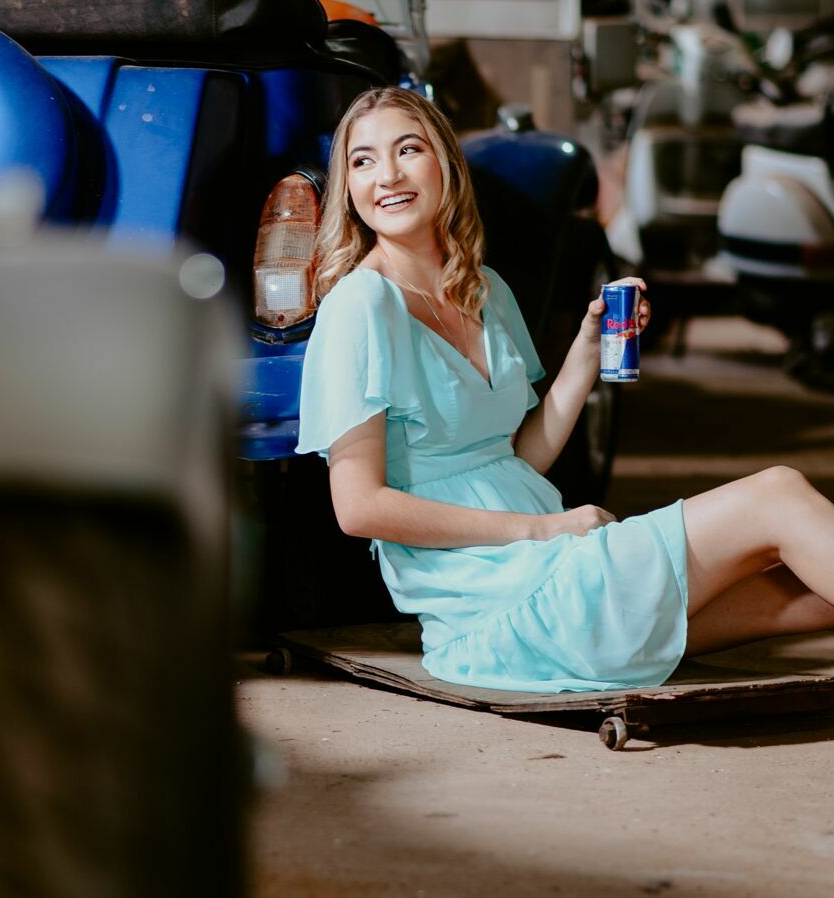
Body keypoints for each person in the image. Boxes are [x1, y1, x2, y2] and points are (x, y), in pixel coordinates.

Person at [296, 86, 834, 693]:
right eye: (363, 161)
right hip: (505, 609)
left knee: (816, 589)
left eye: (408, 149)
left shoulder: (483, 289)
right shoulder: (360, 306)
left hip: (556, 571)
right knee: (779, 496)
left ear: (445, 163)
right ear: (347, 186)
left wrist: (585, 349)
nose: (387, 175)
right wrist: (542, 530)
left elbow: (515, 461)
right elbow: (358, 508)